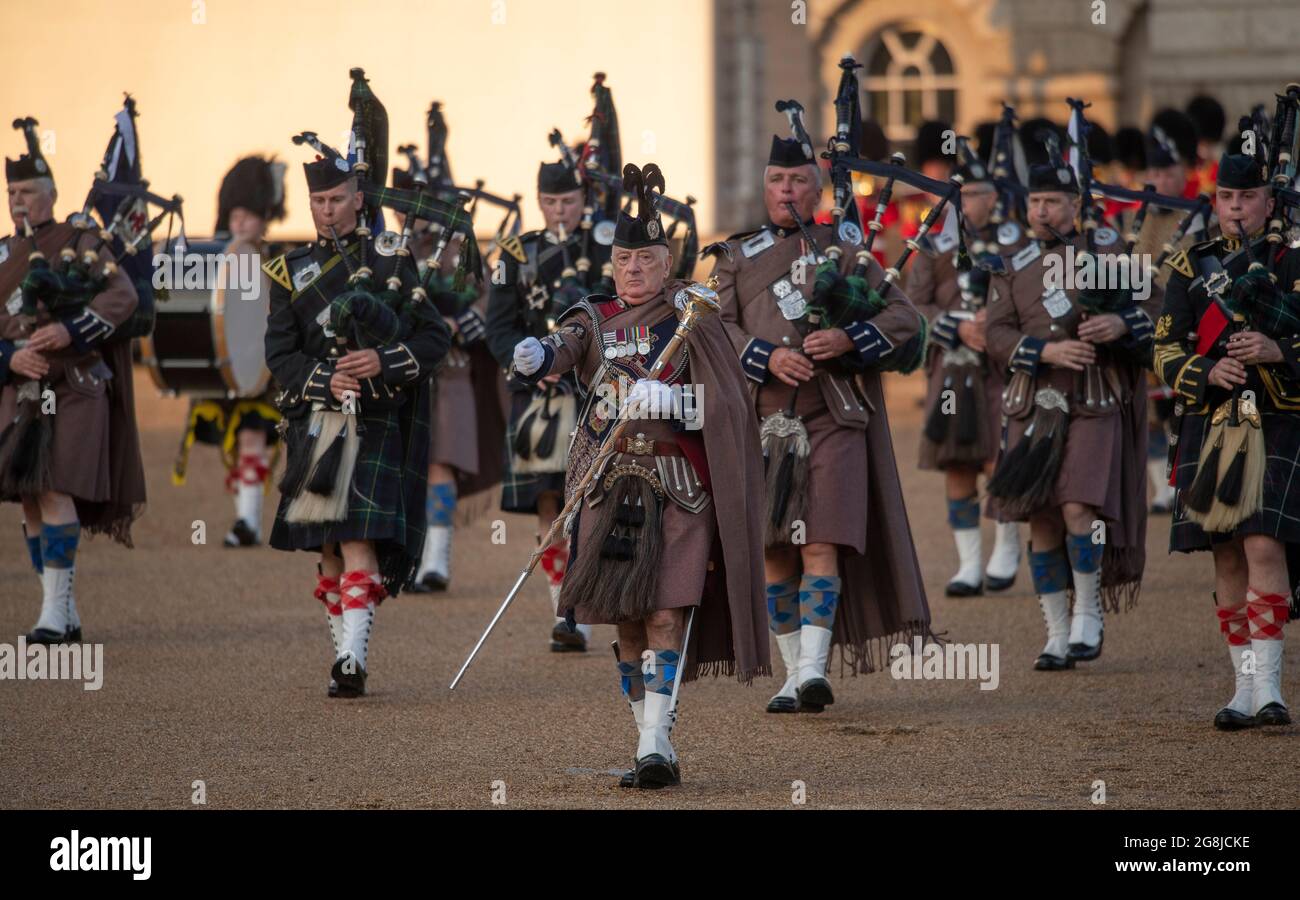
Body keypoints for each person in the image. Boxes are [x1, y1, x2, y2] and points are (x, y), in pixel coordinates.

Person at [511, 162, 767, 788]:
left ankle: (657, 740)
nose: (633, 269)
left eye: (646, 258)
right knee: (624, 617)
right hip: (607, 482)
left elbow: (730, 405)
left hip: (678, 482)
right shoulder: (593, 317)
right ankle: (646, 731)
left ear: (666, 258)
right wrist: (540, 353)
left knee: (664, 614)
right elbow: (567, 343)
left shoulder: (694, 315)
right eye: (625, 259)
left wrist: (676, 403)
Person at [713, 133, 931, 714]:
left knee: (822, 542)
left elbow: (906, 321)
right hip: (764, 420)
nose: (787, 191)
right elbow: (713, 331)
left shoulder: (847, 249)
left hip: (833, 413)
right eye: (777, 182)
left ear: (817, 188)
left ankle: (813, 671)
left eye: (798, 181)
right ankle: (792, 673)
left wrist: (846, 337)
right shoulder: (734, 257)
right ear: (765, 187)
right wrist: (764, 356)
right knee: (774, 549)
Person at [263, 135, 449, 697]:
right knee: (326, 544)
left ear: (357, 198)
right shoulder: (286, 271)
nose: (326, 211)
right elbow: (280, 354)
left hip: (374, 420)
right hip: (316, 422)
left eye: (336, 200)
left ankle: (352, 658)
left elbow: (434, 338)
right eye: (318, 202)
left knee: (359, 537)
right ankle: (341, 647)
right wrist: (325, 379)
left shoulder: (392, 257)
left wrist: (380, 360)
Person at [985, 138, 1159, 671]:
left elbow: (1154, 307)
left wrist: (1120, 324)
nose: (1041, 211)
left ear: (1077, 206)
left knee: (1078, 505)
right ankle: (1056, 633)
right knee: (1040, 517)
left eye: (1053, 202)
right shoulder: (1010, 264)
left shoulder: (1108, 256)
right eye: (1035, 202)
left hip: (1095, 397)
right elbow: (993, 332)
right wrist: (1044, 349)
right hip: (1034, 401)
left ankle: (1088, 611)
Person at [1154, 133, 1300, 728]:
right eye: (1227, 196)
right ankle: (1242, 688)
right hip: (1213, 417)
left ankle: (1270, 689)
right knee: (1227, 550)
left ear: (1270, 201)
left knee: (1264, 542)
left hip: (1279, 415)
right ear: (1214, 201)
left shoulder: (1293, 259)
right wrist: (1207, 369)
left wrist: (1276, 347)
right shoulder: (1190, 263)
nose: (1236, 206)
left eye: (1248, 195)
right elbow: (1163, 346)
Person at [0, 117, 146, 643]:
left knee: (56, 487)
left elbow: (122, 297)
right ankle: (60, 608)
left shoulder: (82, 242)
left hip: (76, 386)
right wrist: (9, 358)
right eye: (12, 191)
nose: (19, 201)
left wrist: (69, 329)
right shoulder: (1, 254)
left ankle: (52, 616)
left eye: (29, 192)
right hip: (22, 388)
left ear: (51, 195)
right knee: (32, 495)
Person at [486, 159, 612, 651]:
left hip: (597, 390)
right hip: (539, 396)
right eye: (551, 202)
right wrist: (529, 365)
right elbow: (499, 327)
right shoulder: (515, 252)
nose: (561, 210)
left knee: (593, 498)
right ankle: (566, 611)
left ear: (585, 198)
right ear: (539, 202)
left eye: (569, 201)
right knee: (548, 500)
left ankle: (594, 599)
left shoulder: (606, 247)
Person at [910, 136, 1029, 596]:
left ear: (995, 196)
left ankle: (1007, 543)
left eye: (976, 193)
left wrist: (995, 323)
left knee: (1000, 457)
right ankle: (968, 564)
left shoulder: (1018, 241)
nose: (966, 202)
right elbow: (913, 304)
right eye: (958, 193)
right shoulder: (934, 240)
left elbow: (1035, 301)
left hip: (1003, 366)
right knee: (957, 460)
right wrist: (956, 327)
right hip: (953, 366)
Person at [392, 164, 504, 592]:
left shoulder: (457, 248)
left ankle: (436, 563)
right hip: (403, 375)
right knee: (409, 467)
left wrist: (465, 322)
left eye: (414, 207)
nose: (408, 217)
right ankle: (411, 558)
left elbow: (488, 298)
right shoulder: (389, 252)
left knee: (440, 464)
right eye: (401, 209)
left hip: (452, 372)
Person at [172, 156, 287, 546]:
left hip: (266, 369)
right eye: (234, 214)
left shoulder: (278, 259)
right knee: (239, 441)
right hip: (227, 365)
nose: (239, 223)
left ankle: (248, 521)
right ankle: (246, 516)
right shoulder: (216, 261)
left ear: (264, 217)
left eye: (248, 215)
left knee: (254, 436)